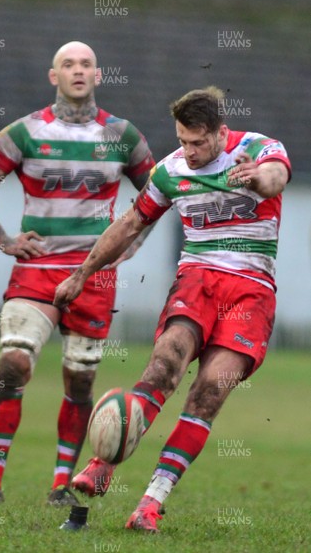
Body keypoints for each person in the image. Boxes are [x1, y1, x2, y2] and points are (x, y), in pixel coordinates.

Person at [53, 86, 291, 531]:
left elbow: (276, 178)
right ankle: (105, 463)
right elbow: (127, 226)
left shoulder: (259, 149)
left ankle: (150, 503)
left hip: (251, 292)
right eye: (183, 140)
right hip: (198, 280)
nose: (191, 151)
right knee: (164, 366)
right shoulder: (171, 171)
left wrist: (255, 178)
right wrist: (81, 274)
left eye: (199, 142)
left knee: (207, 394)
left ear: (222, 132)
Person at [0, 41, 155, 505]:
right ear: (55, 76)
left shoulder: (124, 136)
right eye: (68, 64)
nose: (78, 70)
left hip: (92, 275)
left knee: (81, 380)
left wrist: (129, 245)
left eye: (86, 63)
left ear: (98, 74)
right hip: (38, 270)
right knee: (13, 364)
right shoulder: (25, 132)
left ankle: (60, 486)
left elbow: (156, 196)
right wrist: (4, 241)